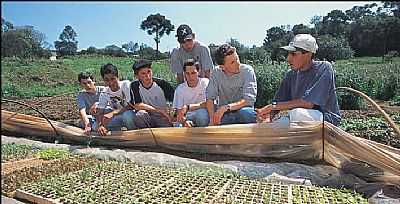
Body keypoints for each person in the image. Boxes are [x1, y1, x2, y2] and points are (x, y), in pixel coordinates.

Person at [256, 34, 341, 126]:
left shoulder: (324, 68)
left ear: (308, 54)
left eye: (293, 54)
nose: (288, 59)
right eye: (288, 54)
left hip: (326, 119)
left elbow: (308, 103)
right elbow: (278, 102)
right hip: (300, 119)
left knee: (297, 114)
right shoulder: (290, 75)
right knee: (276, 125)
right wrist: (269, 116)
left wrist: (271, 107)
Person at [206, 43, 257, 126]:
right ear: (222, 67)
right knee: (211, 118)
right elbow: (209, 98)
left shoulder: (248, 71)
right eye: (233, 62)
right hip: (224, 115)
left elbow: (249, 100)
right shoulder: (216, 73)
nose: (238, 64)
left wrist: (226, 107)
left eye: (237, 59)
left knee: (247, 114)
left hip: (243, 111)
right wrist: (212, 120)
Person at [130, 59, 175, 128]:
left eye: (149, 72)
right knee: (140, 114)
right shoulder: (134, 85)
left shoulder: (162, 84)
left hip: (163, 117)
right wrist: (158, 110)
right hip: (148, 115)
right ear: (137, 76)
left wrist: (171, 113)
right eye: (143, 73)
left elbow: (175, 101)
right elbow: (137, 105)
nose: (147, 76)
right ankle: (146, 136)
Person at [96, 63, 137, 136]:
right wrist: (100, 125)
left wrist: (113, 113)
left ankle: (134, 134)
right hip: (118, 117)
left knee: (127, 116)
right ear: (103, 80)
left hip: (132, 115)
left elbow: (132, 105)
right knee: (96, 126)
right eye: (107, 80)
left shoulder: (126, 85)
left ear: (118, 77)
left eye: (113, 79)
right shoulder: (105, 92)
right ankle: (118, 133)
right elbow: (100, 112)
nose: (110, 82)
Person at [172, 59, 209, 127]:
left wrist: (189, 107)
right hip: (186, 118)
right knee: (178, 126)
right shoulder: (180, 89)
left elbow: (210, 103)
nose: (190, 76)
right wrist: (185, 122)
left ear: (199, 72)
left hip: (202, 114)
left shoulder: (205, 83)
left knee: (202, 116)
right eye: (187, 73)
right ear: (184, 74)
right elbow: (178, 113)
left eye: (193, 73)